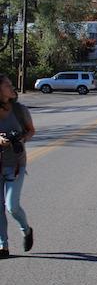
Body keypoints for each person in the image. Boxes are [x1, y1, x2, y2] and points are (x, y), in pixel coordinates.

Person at [0, 74, 35, 259]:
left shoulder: (19, 110)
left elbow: (31, 131)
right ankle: (3, 246)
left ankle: (26, 230)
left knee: (12, 206)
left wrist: (21, 138)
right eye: (7, 85)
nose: (12, 87)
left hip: (16, 164)